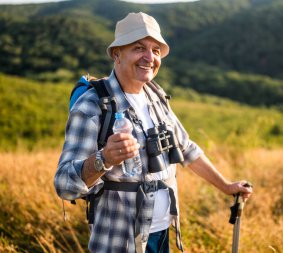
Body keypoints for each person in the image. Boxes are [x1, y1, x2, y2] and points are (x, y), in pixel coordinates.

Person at [54, 12, 252, 253]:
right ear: (117, 54)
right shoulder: (91, 105)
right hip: (118, 241)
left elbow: (185, 147)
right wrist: (103, 159)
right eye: (139, 48)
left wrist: (226, 186)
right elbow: (64, 184)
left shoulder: (156, 97)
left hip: (160, 234)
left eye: (156, 50)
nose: (150, 57)